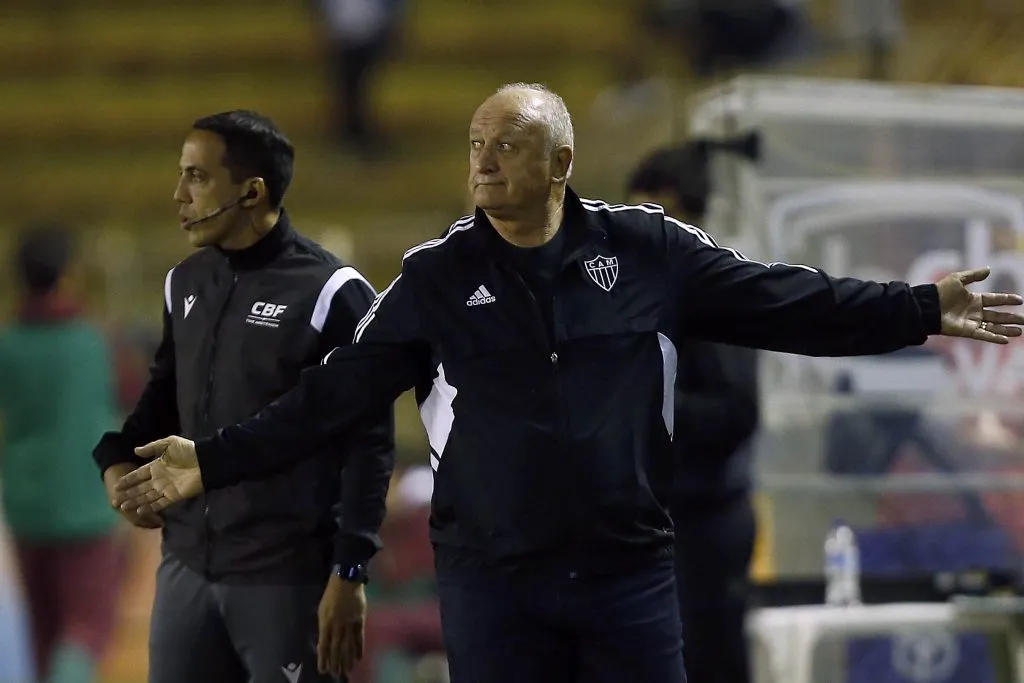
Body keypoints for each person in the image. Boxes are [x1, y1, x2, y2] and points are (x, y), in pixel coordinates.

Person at [113, 84, 1024, 683]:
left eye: (507, 145)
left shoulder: (645, 249)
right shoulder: (434, 276)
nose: (482, 161)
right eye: (476, 144)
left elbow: (789, 301)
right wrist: (215, 459)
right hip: (493, 580)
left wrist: (917, 308)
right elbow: (333, 395)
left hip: (627, 577)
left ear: (560, 163)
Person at [91, 110, 395, 683]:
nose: (178, 194)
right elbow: (162, 399)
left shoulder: (333, 292)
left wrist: (350, 570)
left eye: (198, 177)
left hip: (287, 578)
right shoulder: (183, 282)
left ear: (251, 191)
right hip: (186, 570)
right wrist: (116, 462)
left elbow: (369, 443)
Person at [627, 142, 760, 683]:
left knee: (706, 659)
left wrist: (649, 411)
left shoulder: (709, 290)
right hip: (666, 517)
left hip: (706, 521)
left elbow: (736, 410)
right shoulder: (657, 291)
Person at [0, 225, 126, 683]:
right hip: (84, 506)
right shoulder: (96, 340)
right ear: (68, 275)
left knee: (43, 631)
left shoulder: (8, 343)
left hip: (26, 504)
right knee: (86, 629)